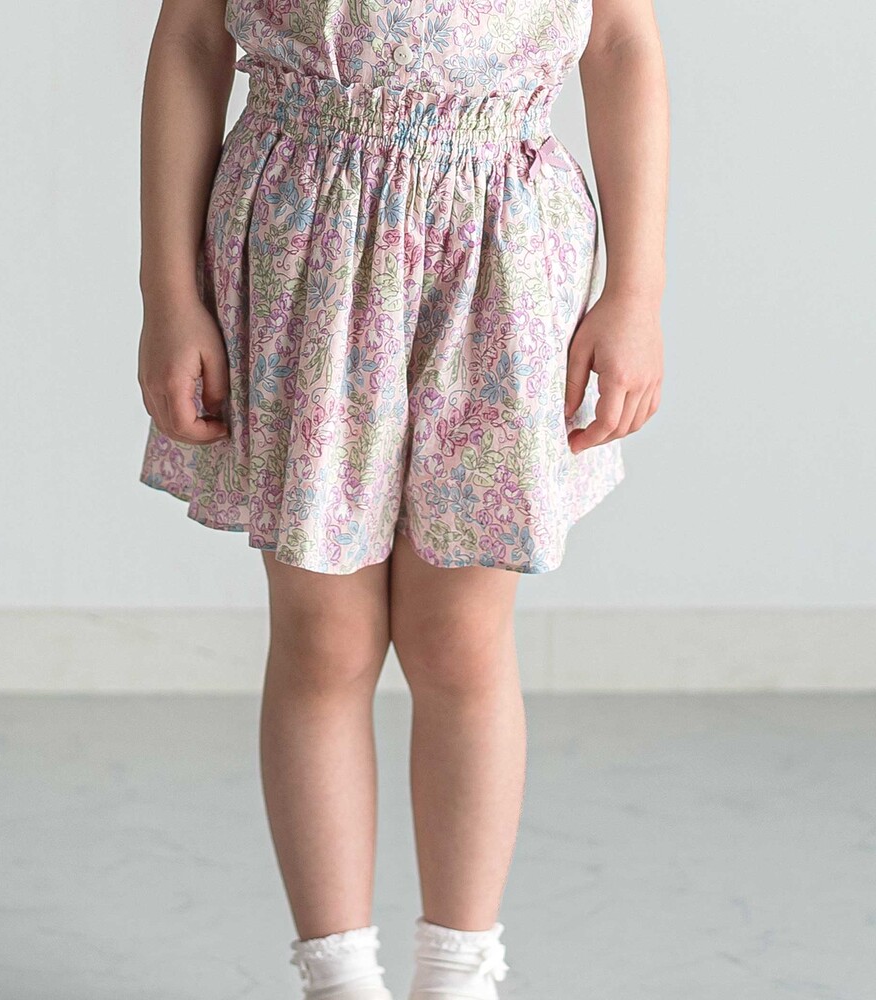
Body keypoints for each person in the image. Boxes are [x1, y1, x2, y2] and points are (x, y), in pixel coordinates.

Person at [136, 0, 667, 996]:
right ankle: (337, 977)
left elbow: (620, 40)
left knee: (460, 638)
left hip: (501, 245)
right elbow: (192, 37)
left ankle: (457, 974)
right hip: (305, 236)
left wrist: (636, 291)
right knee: (322, 636)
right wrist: (167, 294)